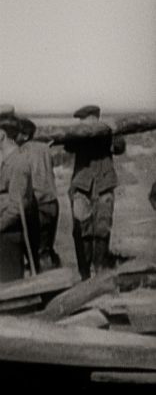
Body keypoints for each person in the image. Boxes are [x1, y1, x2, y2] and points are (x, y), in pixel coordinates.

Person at [64, 105, 126, 279]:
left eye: (87, 120)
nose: (85, 124)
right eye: (83, 122)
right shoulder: (77, 135)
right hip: (82, 188)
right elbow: (68, 145)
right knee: (81, 231)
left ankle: (100, 270)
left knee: (102, 229)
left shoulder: (107, 133)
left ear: (95, 118)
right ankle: (84, 273)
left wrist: (114, 132)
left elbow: (120, 148)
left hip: (104, 185)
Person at [0, 115, 34, 283]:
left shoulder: (18, 162)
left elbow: (18, 205)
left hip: (8, 233)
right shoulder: (6, 160)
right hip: (2, 233)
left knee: (9, 286)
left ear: (2, 134)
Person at [18, 118, 61, 271]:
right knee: (46, 248)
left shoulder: (22, 151)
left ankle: (44, 286)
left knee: (34, 251)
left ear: (24, 135)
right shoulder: (44, 148)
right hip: (52, 201)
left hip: (37, 205)